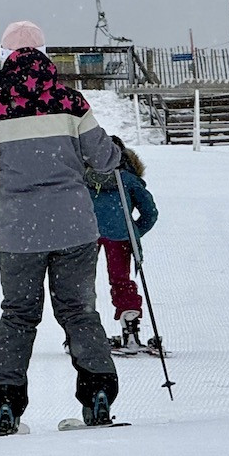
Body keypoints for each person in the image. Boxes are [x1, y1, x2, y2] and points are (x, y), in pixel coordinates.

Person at [0, 21, 122, 434]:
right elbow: (104, 159)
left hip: (19, 235)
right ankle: (98, 396)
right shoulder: (71, 101)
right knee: (80, 312)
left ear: (3, 58)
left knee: (17, 316)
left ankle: (7, 404)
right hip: (74, 229)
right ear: (46, 56)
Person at [85, 136, 159, 354]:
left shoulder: (82, 177)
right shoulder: (128, 179)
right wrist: (134, 231)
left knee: (81, 283)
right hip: (120, 236)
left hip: (86, 235)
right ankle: (131, 332)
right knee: (121, 280)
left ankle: (82, 336)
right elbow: (150, 213)